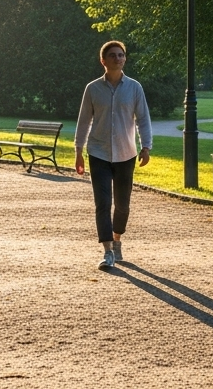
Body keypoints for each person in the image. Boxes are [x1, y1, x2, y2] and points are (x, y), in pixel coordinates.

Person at [75, 40, 152, 270]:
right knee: (102, 203)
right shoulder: (92, 89)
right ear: (103, 61)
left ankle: (117, 238)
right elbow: (83, 121)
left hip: (126, 154)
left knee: (122, 205)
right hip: (98, 153)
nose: (118, 59)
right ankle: (107, 251)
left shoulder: (134, 88)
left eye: (121, 55)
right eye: (113, 55)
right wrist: (78, 151)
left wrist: (146, 147)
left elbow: (143, 119)